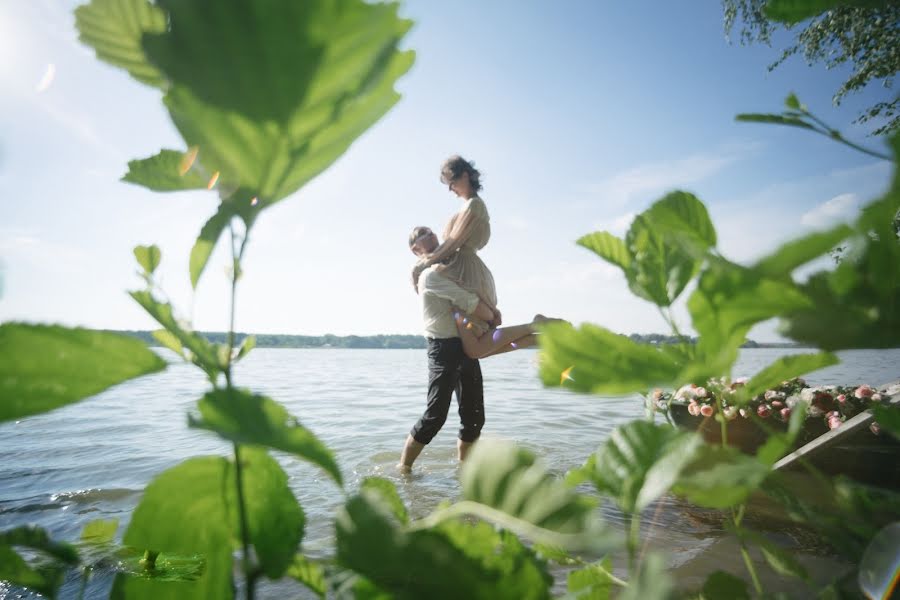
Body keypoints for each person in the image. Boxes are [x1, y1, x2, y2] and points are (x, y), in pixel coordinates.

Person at [398, 226, 552, 473]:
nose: (432, 235)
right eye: (423, 234)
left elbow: (474, 302)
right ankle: (404, 468)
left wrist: (490, 312)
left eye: (431, 231)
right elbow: (472, 304)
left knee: (474, 417)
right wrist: (491, 315)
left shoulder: (448, 272)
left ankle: (464, 468)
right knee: (435, 416)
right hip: (443, 349)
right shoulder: (430, 276)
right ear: (415, 249)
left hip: (465, 343)